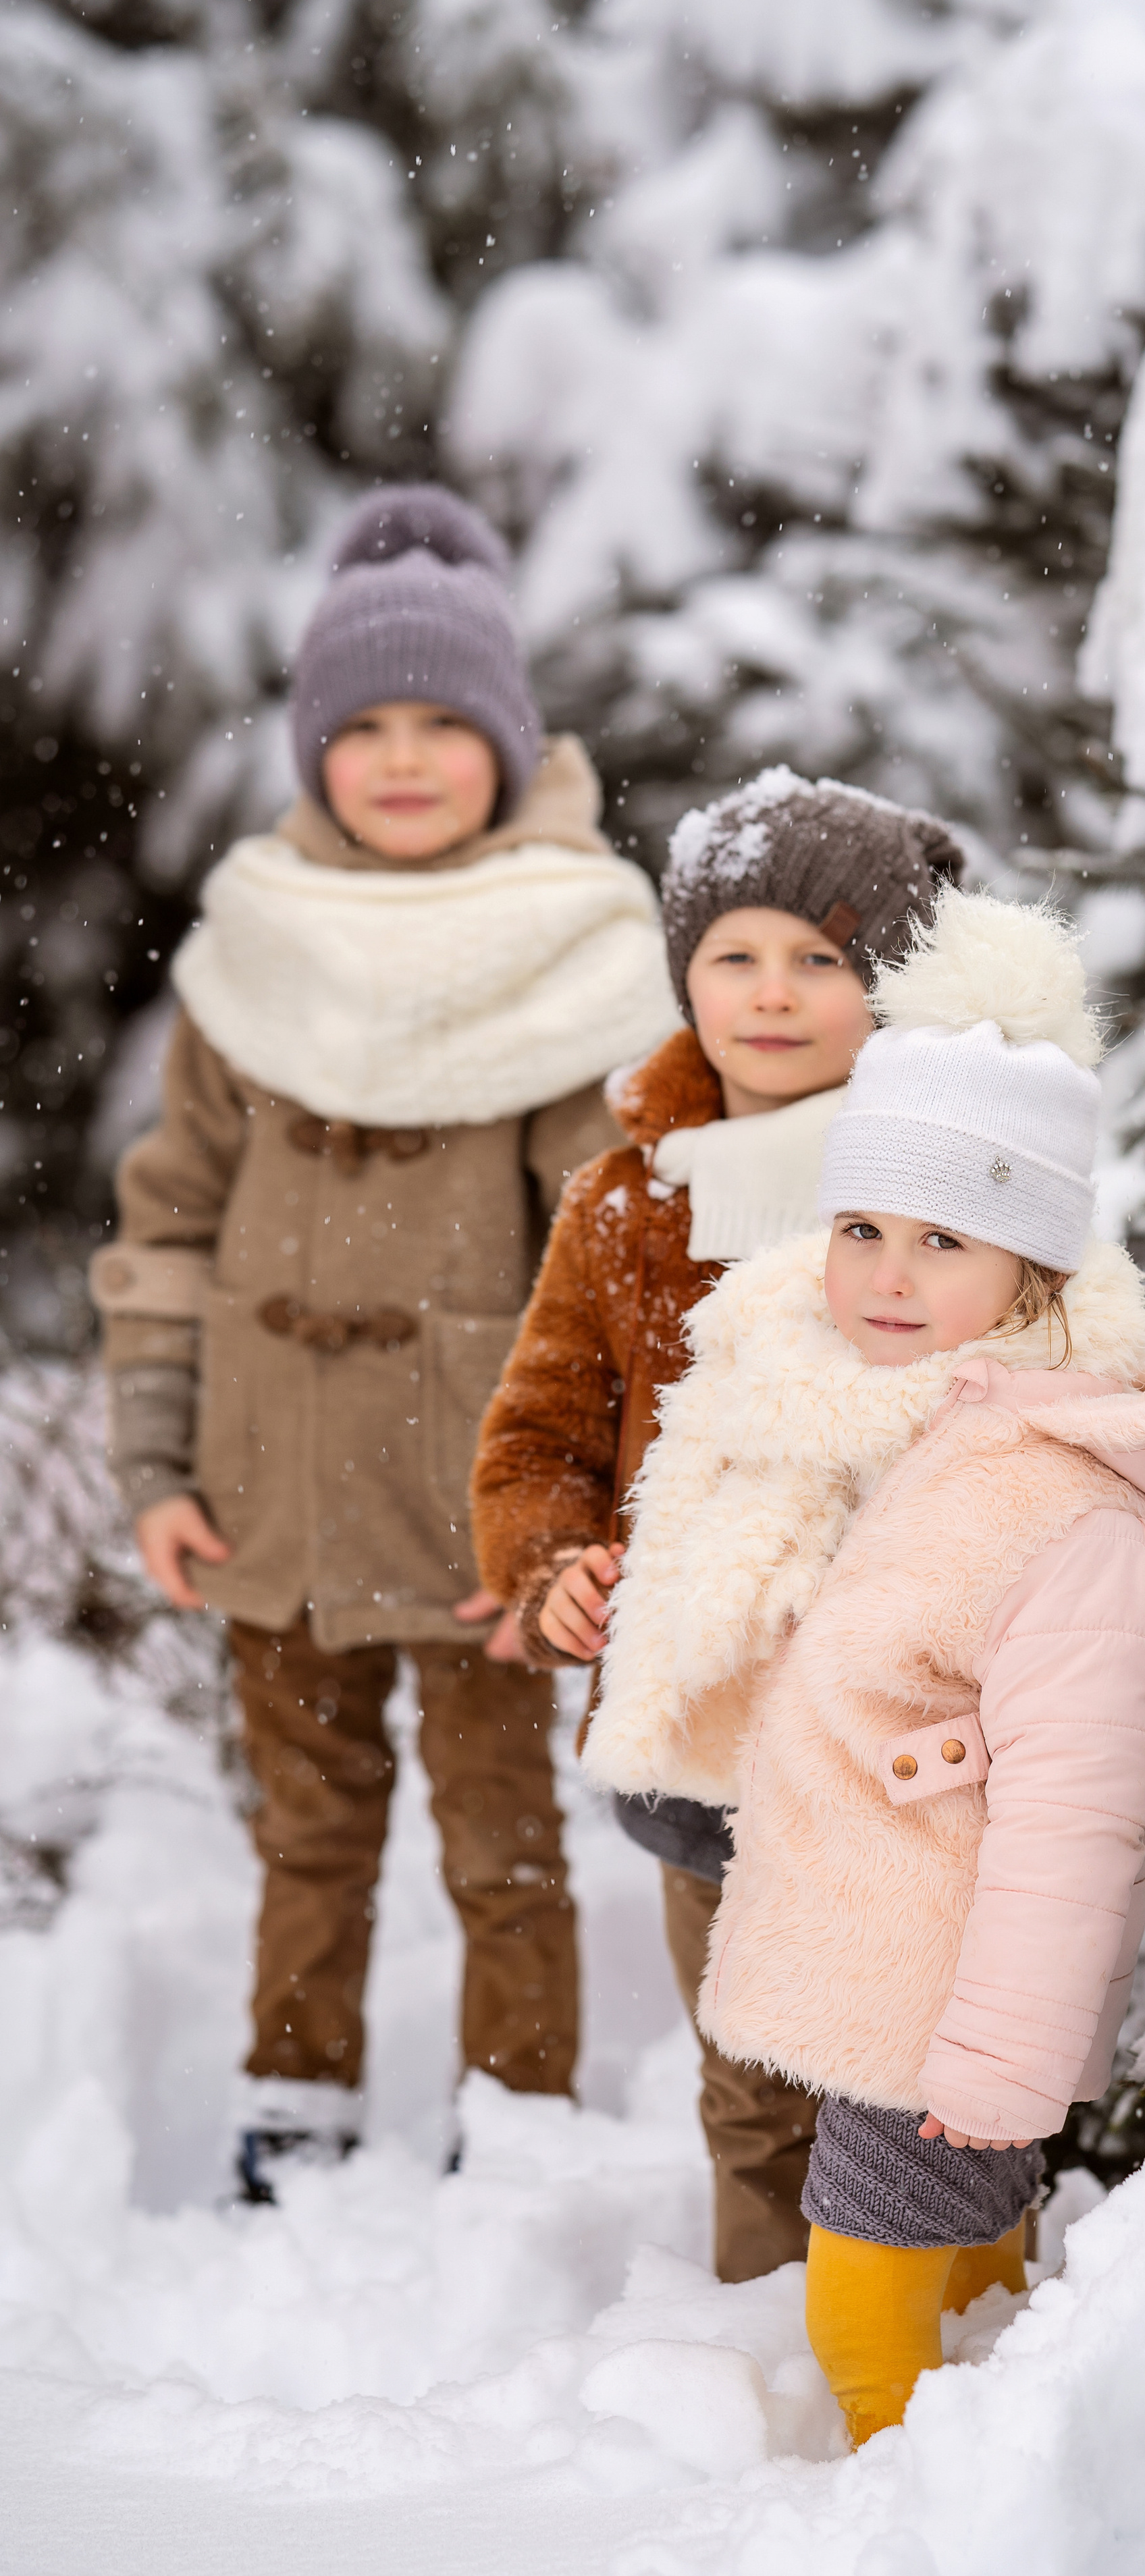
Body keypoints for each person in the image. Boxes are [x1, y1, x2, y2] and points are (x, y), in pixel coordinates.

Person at [581, 883, 1145, 2442]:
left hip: (943, 2014)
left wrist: (1002, 2066)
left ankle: (918, 2526)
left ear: (1030, 1278)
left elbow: (1073, 1817)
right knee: (964, 2301)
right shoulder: (900, 1428)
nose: (883, 1271)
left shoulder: (1075, 1507)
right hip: (881, 1980)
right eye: (861, 1227)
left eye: (940, 1239)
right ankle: (973, 2479)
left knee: (866, 2332)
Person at [92, 484, 680, 2200]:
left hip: (479, 1518)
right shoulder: (255, 947)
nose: (405, 760)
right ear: (311, 748)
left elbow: (617, 1279)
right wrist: (149, 1460)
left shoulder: (567, 953)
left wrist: (586, 1516)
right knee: (307, 1832)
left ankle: (517, 2128)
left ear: (507, 743)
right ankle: (296, 2104)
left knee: (503, 1848)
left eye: (446, 724)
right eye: (364, 727)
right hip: (268, 1498)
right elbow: (168, 1230)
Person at [468, 768, 963, 2280]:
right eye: (734, 956)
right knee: (752, 2070)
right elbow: (540, 1431)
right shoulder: (627, 1204)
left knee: (910, 2056)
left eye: (824, 958)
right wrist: (553, 1566)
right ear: (683, 974)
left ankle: (936, 2335)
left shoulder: (945, 1187)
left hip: (901, 1711)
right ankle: (770, 2334)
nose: (774, 995)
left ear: (893, 986)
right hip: (706, 1714)